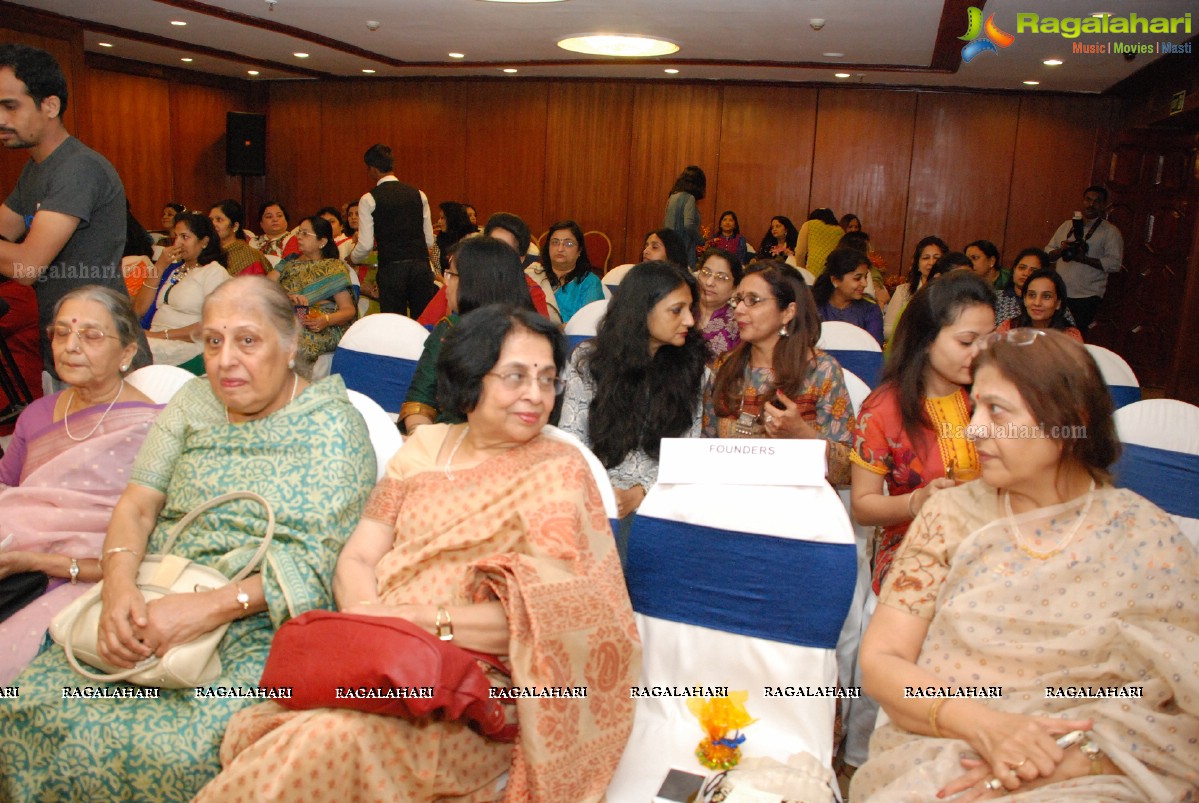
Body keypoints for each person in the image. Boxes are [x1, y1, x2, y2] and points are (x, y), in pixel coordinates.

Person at [196, 304, 639, 803]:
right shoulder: (423, 449)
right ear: (471, 377)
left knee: (326, 740)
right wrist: (373, 626)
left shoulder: (558, 469)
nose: (535, 395)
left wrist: (418, 623)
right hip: (381, 665)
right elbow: (359, 557)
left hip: (473, 691)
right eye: (515, 377)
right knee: (287, 732)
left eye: (546, 379)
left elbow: (558, 614)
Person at [0, 276, 376, 801]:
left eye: (248, 340)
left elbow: (316, 564)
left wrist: (203, 611)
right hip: (156, 591)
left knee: (180, 751)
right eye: (213, 341)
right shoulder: (194, 400)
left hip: (258, 619)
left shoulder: (332, 426)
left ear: (290, 344)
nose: (225, 360)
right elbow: (138, 503)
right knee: (26, 701)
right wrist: (120, 588)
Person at [850, 329, 1198, 801]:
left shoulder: (1144, 536)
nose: (974, 429)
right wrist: (984, 725)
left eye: (997, 411)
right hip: (951, 748)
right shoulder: (949, 515)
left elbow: (1180, 705)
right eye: (974, 408)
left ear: (1068, 420)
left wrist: (1070, 761)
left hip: (1102, 766)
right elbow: (882, 661)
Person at [842, 272, 996, 773]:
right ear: (928, 338)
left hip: (987, 556)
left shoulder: (992, 403)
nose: (980, 352)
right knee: (883, 673)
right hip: (908, 557)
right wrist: (918, 503)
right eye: (967, 341)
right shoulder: (884, 408)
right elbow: (863, 506)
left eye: (989, 340)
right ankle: (862, 762)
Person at [0, 286, 158, 684]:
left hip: (85, 581)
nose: (71, 346)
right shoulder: (36, 415)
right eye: (61, 333)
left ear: (126, 352)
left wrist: (33, 561)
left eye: (90, 335)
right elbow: (8, 493)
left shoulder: (155, 429)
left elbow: (149, 550)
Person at [0, 44, 150, 379]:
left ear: (50, 105)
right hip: (64, 343)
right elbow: (5, 230)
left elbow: (26, 267)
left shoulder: (79, 167)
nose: (0, 119)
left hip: (103, 351)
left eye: (10, 106)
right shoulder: (35, 169)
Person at [560, 261, 707, 559]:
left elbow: (686, 454)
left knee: (628, 536)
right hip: (592, 490)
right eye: (677, 310)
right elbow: (572, 441)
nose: (690, 320)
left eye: (690, 309)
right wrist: (602, 491)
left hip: (659, 497)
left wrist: (638, 493)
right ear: (642, 310)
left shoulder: (693, 370)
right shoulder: (589, 362)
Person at [703, 262, 856, 485]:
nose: (739, 310)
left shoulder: (821, 371)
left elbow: (848, 470)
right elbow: (704, 447)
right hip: (733, 499)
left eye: (752, 301)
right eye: (738, 300)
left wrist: (801, 433)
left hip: (800, 504)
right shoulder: (725, 368)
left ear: (788, 312)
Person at [400, 236, 536, 433]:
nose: (446, 284)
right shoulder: (448, 330)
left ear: (475, 282)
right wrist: (422, 437)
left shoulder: (530, 340)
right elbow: (420, 399)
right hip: (443, 444)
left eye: (451, 275)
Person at [350, 143, 437, 319]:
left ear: (372, 169)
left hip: (392, 269)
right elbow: (429, 241)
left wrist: (352, 258)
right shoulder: (419, 194)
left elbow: (366, 245)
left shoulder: (368, 199)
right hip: (420, 267)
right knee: (423, 321)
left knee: (394, 323)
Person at [418, 212, 551, 326]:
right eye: (488, 248)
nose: (492, 257)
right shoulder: (459, 281)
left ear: (521, 259)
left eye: (502, 251)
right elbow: (423, 327)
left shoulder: (531, 293)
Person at [136, 212, 231, 368]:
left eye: (185, 237)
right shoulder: (175, 270)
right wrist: (159, 266)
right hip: (156, 339)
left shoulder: (213, 272)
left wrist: (159, 336)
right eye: (176, 237)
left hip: (188, 345)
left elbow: (214, 325)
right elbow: (139, 309)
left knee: (130, 352)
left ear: (204, 242)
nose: (177, 243)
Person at [268, 215, 356, 371]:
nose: (299, 237)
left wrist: (326, 320)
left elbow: (348, 310)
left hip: (321, 324)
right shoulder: (289, 262)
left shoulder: (334, 267)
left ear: (322, 242)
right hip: (287, 317)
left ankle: (293, 390)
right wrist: (286, 298)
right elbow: (265, 287)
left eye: (305, 234)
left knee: (292, 344)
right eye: (299, 232)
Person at [1045, 185, 1123, 333]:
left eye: (1097, 201)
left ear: (1104, 205)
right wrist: (1062, 251)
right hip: (1059, 293)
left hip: (1086, 297)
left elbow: (1114, 264)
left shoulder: (1110, 232)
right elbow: (1047, 254)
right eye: (1088, 200)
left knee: (1075, 336)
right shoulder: (1067, 225)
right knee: (1053, 335)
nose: (1091, 204)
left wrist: (1083, 259)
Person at [884, 235, 947, 345]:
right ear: (917, 264)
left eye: (936, 258)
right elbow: (887, 331)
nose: (931, 262)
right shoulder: (903, 291)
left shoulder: (950, 292)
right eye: (926, 258)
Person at [813, 247, 884, 345]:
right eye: (857, 278)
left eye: (865, 277)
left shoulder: (870, 311)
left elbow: (874, 350)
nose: (865, 284)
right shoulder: (814, 308)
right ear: (835, 280)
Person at [538, 219, 604, 323]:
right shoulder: (534, 276)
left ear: (579, 250)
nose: (560, 248)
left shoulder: (589, 282)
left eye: (568, 243)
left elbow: (589, 323)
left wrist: (555, 330)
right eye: (555, 242)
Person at [997, 268, 1083, 342]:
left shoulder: (1069, 337)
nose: (1037, 303)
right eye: (1032, 295)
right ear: (1024, 299)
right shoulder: (1009, 328)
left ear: (1058, 303)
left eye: (1046, 296)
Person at [695, 246, 742, 362]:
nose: (709, 282)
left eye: (721, 277)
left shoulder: (739, 325)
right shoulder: (680, 311)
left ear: (735, 288)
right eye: (705, 273)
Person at [210, 199, 269, 278]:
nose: (213, 224)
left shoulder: (249, 257)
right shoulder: (206, 252)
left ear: (235, 226)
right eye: (210, 220)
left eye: (219, 220)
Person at [663, 164, 706, 268]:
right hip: (684, 249)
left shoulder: (672, 197)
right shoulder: (689, 198)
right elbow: (689, 224)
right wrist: (700, 241)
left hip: (670, 248)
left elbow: (665, 223)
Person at [996, 247, 1049, 324]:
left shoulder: (1049, 303)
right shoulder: (994, 298)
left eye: (1033, 270)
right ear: (1014, 269)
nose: (1026, 273)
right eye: (1022, 268)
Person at [794, 207, 844, 276]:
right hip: (833, 270)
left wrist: (801, 272)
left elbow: (800, 253)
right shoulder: (840, 230)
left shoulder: (809, 224)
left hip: (814, 269)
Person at [433, 200, 477, 276]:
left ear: (452, 219)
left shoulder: (470, 241)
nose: (439, 221)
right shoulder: (439, 240)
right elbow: (437, 270)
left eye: (442, 218)